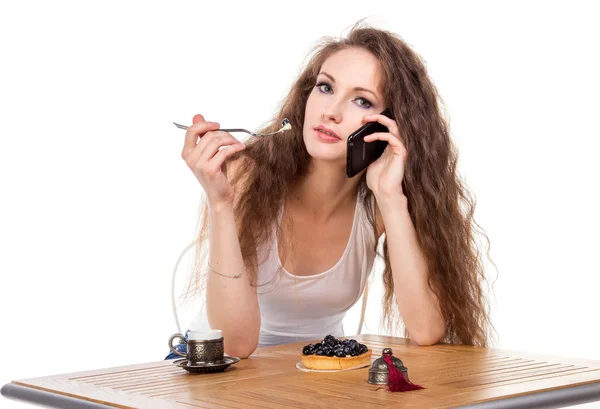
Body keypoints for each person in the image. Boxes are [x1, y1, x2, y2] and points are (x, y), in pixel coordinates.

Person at [168, 21, 493, 360]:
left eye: (362, 101)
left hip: (317, 374)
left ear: (392, 124)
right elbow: (234, 346)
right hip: (215, 369)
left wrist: (391, 198)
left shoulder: (379, 203)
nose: (331, 112)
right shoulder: (246, 174)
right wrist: (220, 204)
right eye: (325, 88)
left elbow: (426, 330)